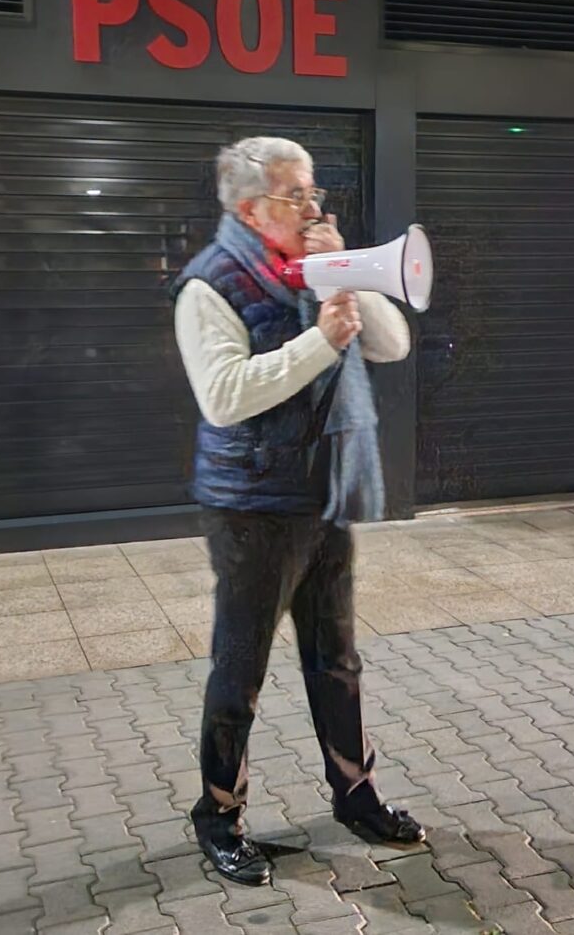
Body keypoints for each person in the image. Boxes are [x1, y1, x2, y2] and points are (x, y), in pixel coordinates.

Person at [172, 136, 425, 887]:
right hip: (252, 509)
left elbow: (391, 344)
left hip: (325, 495)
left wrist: (348, 272)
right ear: (253, 210)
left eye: (315, 192)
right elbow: (224, 396)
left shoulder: (317, 266)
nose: (313, 207)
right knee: (240, 669)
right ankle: (219, 818)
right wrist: (320, 340)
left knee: (336, 661)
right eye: (297, 196)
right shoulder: (207, 286)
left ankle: (356, 796)